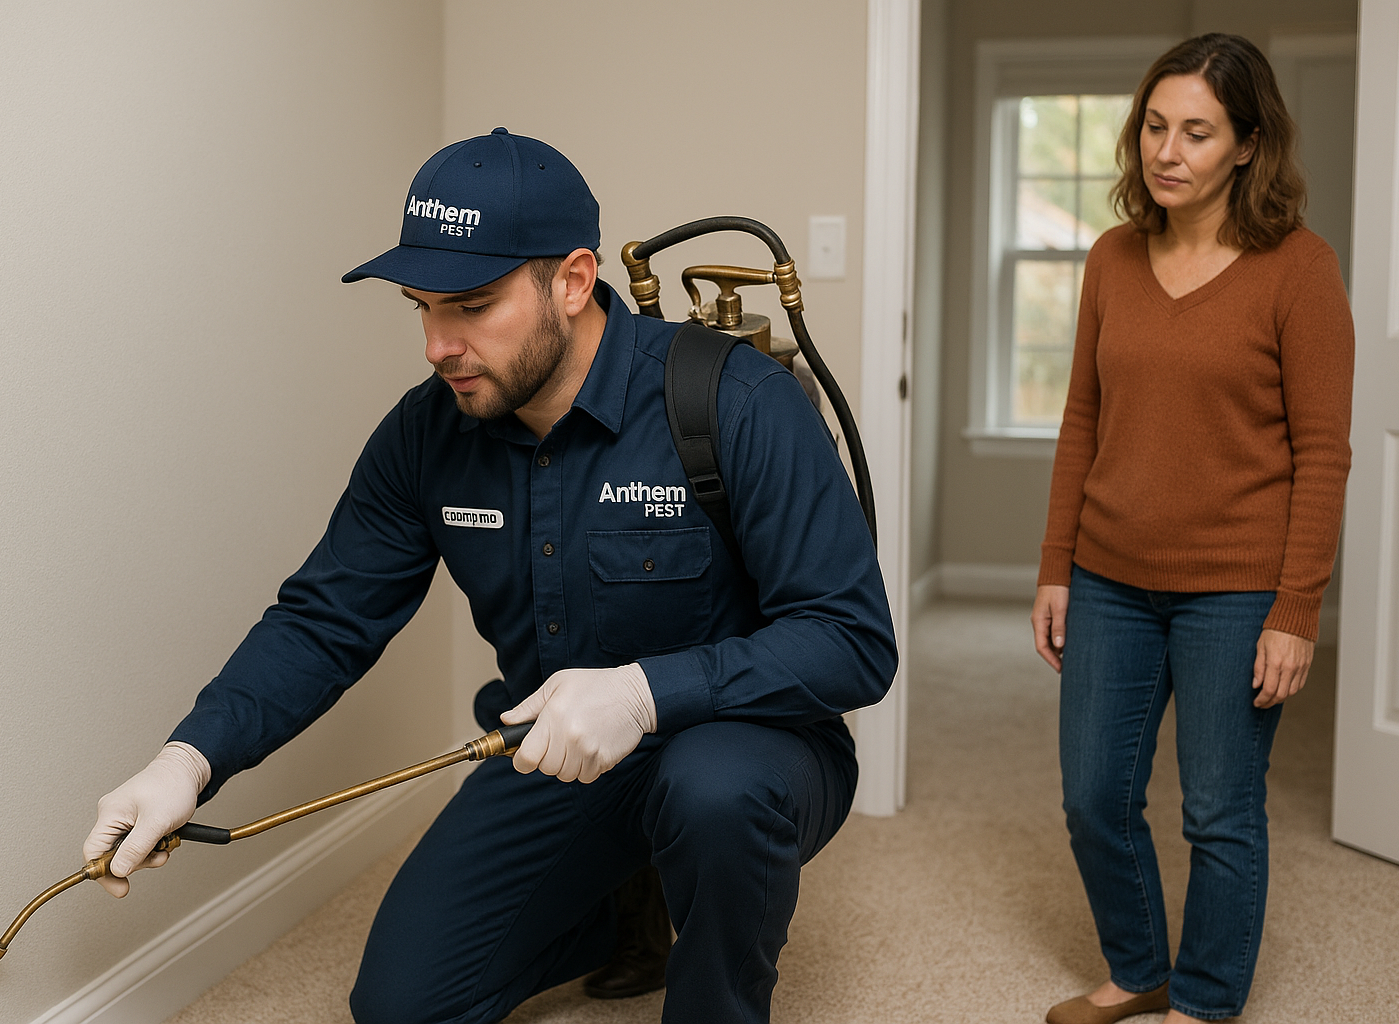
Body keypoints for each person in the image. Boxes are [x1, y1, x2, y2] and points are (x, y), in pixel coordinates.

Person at [83, 127, 896, 1024]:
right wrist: (187, 761)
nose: (439, 345)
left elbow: (852, 642)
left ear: (575, 281)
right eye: (421, 308)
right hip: (553, 751)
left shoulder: (733, 402)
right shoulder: (425, 436)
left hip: (748, 742)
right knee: (402, 1005)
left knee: (712, 793)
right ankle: (609, 908)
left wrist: (644, 692)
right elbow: (324, 619)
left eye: (471, 306)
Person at [1029, 35, 1353, 1024]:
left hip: (1238, 588)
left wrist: (1295, 608)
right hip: (1111, 575)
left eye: (1197, 132)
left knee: (1219, 809)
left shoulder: (1298, 270)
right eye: (1156, 126)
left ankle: (1203, 1003)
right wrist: (1056, 568)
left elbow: (1324, 452)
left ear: (1248, 145)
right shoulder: (1112, 259)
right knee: (1093, 795)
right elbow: (1082, 416)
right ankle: (1139, 968)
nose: (1167, 151)